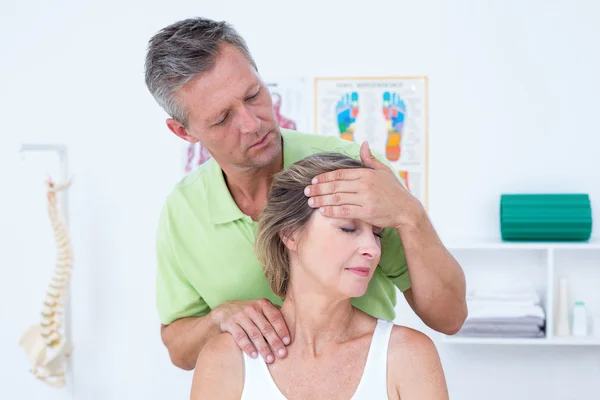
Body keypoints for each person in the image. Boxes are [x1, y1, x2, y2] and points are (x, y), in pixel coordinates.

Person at [144, 17, 467, 371]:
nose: (253, 124)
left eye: (254, 95)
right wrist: (218, 319)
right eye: (222, 119)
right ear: (183, 131)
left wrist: (410, 214)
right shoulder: (183, 211)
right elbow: (179, 350)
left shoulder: (349, 171)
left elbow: (449, 318)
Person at [190, 152, 450, 399]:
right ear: (290, 234)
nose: (372, 249)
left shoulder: (407, 357)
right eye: (348, 229)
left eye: (377, 234)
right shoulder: (227, 359)